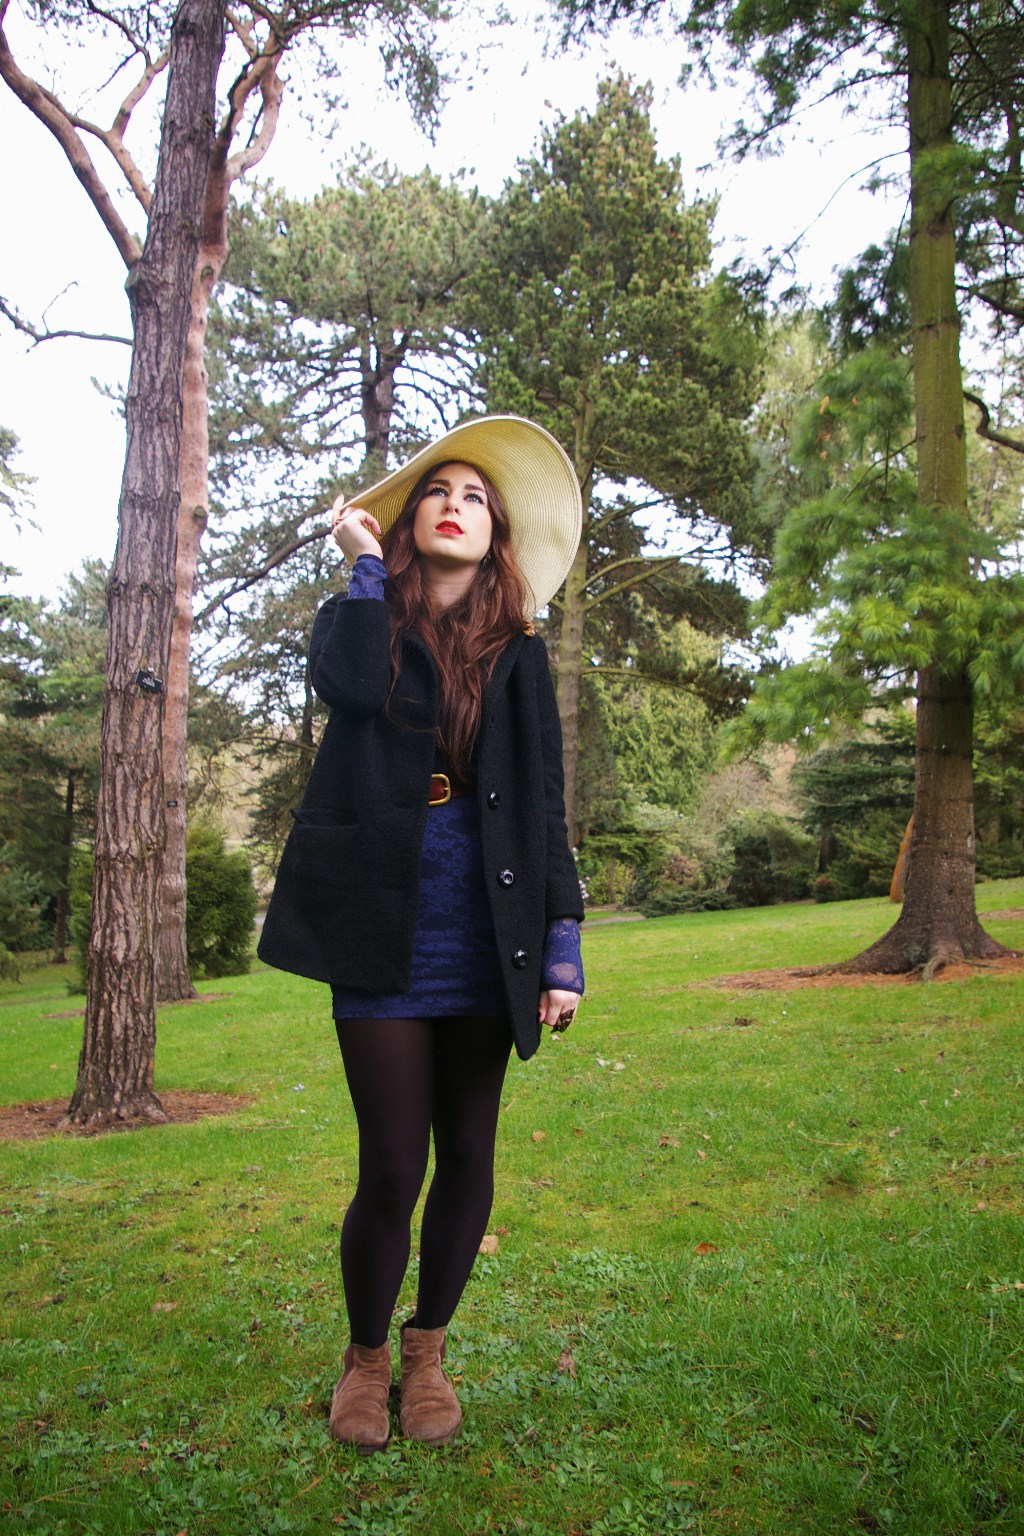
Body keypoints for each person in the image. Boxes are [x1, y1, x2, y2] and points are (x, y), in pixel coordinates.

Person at [257, 415, 585, 1453]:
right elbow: (351, 690)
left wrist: (563, 943)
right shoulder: (361, 618)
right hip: (381, 921)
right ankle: (364, 1361)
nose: (454, 504)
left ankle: (427, 1351)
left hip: (489, 928)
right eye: (437, 491)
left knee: (469, 1155)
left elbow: (544, 806)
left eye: (476, 497)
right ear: (409, 524)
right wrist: (363, 563)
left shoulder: (520, 656)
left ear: (496, 536)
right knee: (393, 1163)